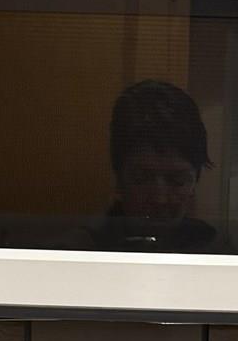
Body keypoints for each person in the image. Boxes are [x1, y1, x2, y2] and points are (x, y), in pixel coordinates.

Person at [96, 80, 226, 252]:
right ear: (119, 180)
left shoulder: (222, 258)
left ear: (195, 182)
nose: (160, 199)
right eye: (142, 179)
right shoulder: (73, 256)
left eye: (177, 181)